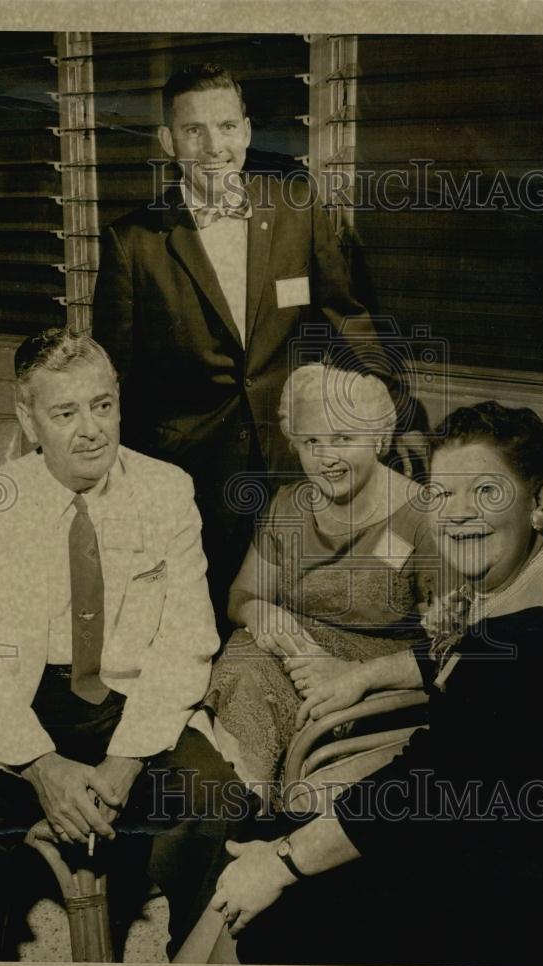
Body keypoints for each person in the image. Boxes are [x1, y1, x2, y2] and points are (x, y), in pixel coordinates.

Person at [209, 400, 543, 966]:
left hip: (520, 895)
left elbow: (425, 787)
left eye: (486, 492)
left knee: (273, 906)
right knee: (262, 866)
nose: (458, 515)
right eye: (443, 495)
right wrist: (363, 677)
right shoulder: (528, 591)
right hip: (476, 826)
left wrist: (282, 862)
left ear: (538, 502)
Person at [0, 329, 246, 961]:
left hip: (131, 704)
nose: (91, 429)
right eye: (65, 413)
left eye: (102, 405)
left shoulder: (168, 490)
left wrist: (125, 763)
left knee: (216, 804)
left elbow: (186, 644)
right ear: (30, 421)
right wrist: (41, 765)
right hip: (20, 708)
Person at [92, 62, 395, 631]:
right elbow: (114, 376)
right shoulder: (132, 241)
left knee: (289, 610)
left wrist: (382, 408)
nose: (214, 147)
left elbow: (348, 319)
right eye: (194, 131)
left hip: (292, 459)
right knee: (199, 619)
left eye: (227, 127)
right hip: (191, 472)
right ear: (168, 141)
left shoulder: (297, 207)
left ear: (248, 131)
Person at [203, 363, 437, 800]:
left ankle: (250, 825)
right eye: (311, 441)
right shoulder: (291, 504)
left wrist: (356, 675)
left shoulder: (422, 517)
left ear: (379, 439)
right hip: (291, 659)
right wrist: (260, 611)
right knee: (243, 666)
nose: (325, 457)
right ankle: (232, 815)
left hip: (372, 686)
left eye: (343, 439)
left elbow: (451, 647)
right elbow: (241, 596)